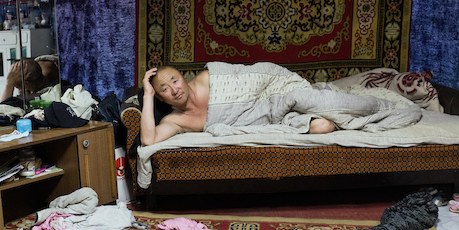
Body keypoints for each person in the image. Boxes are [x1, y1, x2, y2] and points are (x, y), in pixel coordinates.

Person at [140, 65, 336, 146]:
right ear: (160, 98)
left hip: (275, 98)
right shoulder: (176, 120)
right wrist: (148, 95)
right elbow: (149, 139)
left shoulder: (208, 79)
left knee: (307, 98)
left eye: (175, 81)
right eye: (165, 89)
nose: (174, 90)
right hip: (273, 121)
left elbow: (255, 77)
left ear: (183, 77)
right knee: (323, 126)